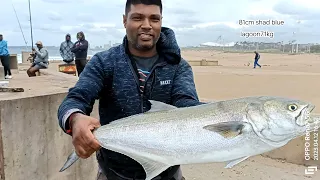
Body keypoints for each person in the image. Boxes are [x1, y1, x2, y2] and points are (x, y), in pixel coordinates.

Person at [57, 0, 204, 179]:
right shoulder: (104, 62)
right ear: (125, 20)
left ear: (161, 21)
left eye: (154, 19)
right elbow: (77, 98)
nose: (147, 25)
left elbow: (187, 105)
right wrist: (75, 118)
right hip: (113, 173)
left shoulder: (178, 66)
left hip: (168, 174)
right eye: (138, 18)